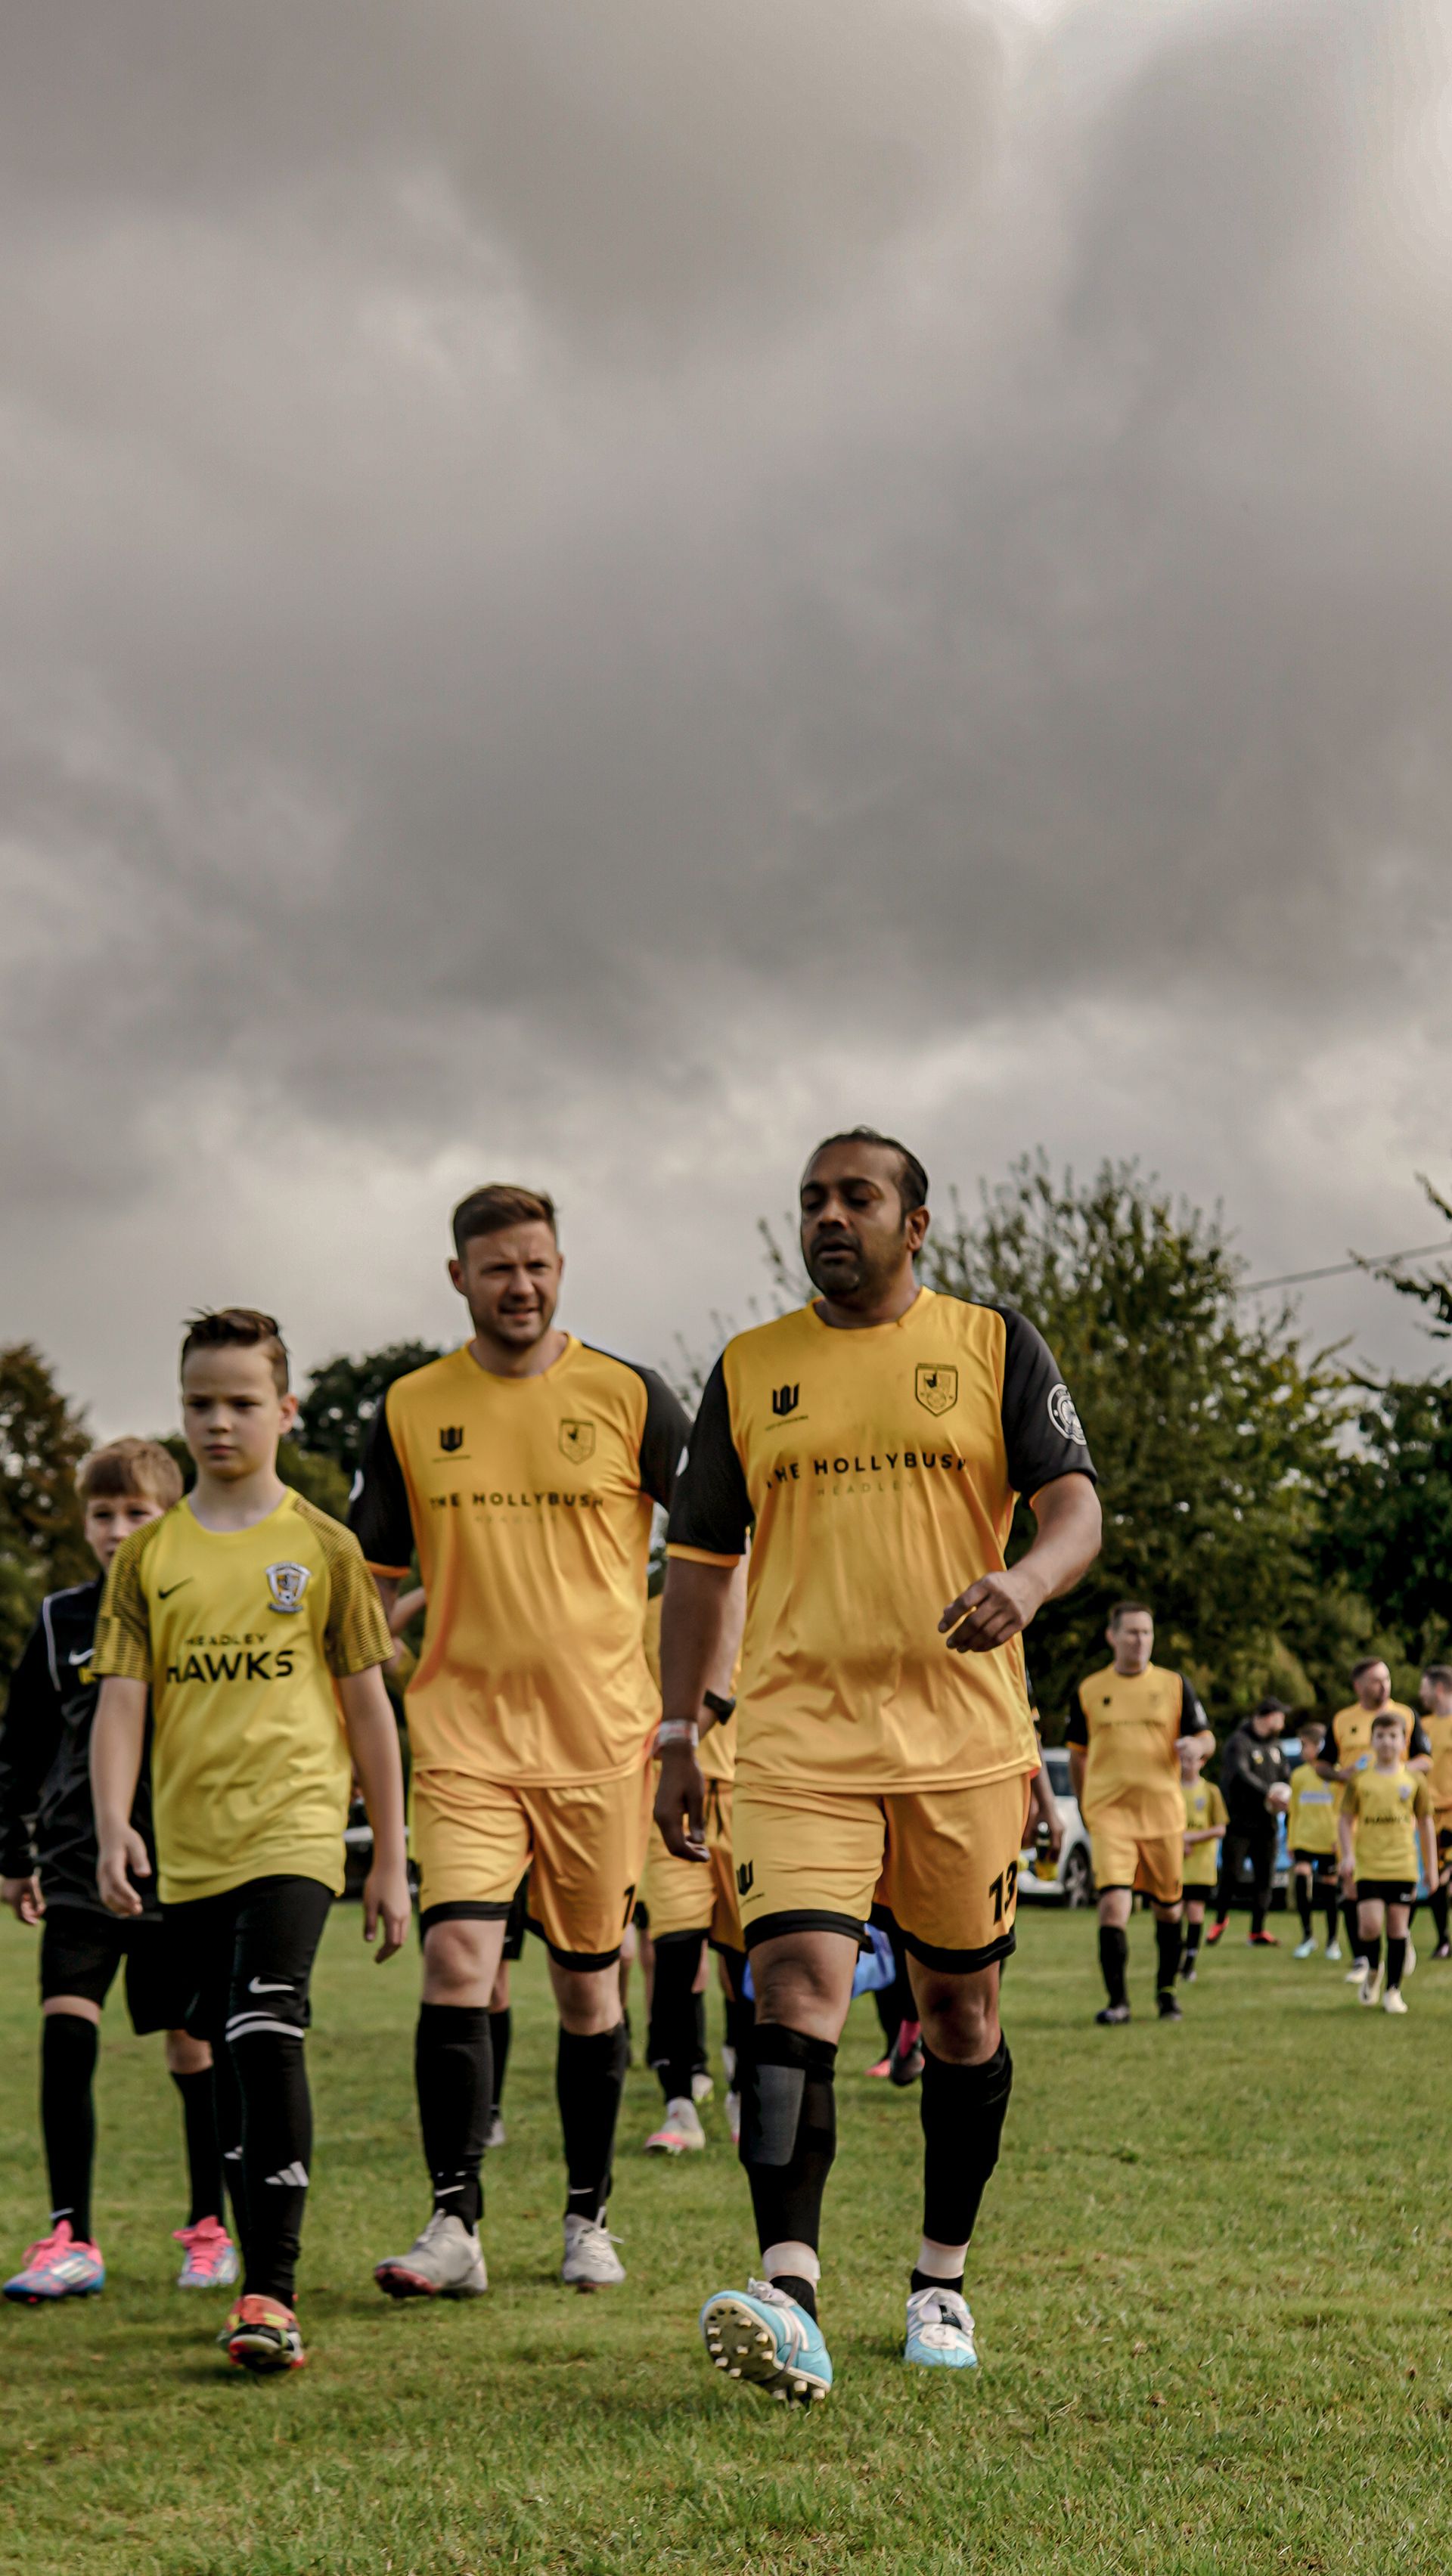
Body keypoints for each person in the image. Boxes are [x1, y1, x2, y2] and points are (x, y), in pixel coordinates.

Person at [656, 1127, 1100, 2397]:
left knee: (962, 2015)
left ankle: (940, 2279)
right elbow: (699, 1566)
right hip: (797, 1742)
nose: (829, 1216)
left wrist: (1024, 1577)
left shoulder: (993, 1345)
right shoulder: (751, 1369)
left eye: (858, 1196)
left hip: (962, 1742)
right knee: (795, 1986)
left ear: (917, 1223)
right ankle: (788, 2286)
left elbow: (1074, 1501)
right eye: (812, 1199)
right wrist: (683, 1730)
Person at [351, 1185, 692, 2299]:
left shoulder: (632, 1393)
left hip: (600, 1742)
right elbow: (371, 1577)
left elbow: (714, 1545)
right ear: (459, 1276)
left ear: (561, 1263)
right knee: (458, 1962)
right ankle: (454, 2222)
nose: (522, 1284)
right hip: (461, 1740)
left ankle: (588, 2218)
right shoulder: (408, 1405)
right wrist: (367, 1642)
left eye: (539, 1263)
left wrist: (709, 1695)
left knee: (591, 1993)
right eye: (499, 1267)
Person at [90, 1308, 410, 2373]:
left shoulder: (323, 1547)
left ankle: (271, 2288)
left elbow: (370, 1710)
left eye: (239, 1400)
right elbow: (122, 1706)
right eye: (199, 1401)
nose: (218, 1421)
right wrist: (111, 1830)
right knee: (225, 2045)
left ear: (286, 1409)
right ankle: (254, 2278)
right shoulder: (147, 1555)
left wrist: (391, 1855)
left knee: (269, 2023)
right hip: (189, 1842)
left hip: (297, 1831)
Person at [1, 1438, 239, 2304]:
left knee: (192, 2045)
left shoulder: (204, 1608)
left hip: (183, 1867)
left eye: (137, 1511)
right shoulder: (62, 1619)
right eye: (103, 1513)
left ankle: (210, 2229)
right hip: (73, 1868)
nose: (117, 1528)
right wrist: (10, 1853)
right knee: (67, 2031)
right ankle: (72, 2235)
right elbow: (19, 1746)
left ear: (172, 1515)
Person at [637, 1588, 746, 2156]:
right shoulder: (655, 1612)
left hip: (756, 1792)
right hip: (674, 1796)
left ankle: (744, 2091)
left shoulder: (774, 1596)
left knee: (745, 1959)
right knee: (674, 1951)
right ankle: (679, 2103)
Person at [1066, 1604, 1213, 2026]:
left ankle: (1166, 1993)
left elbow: (1206, 1737)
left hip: (1163, 1815)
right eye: (1131, 1632)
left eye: (1146, 1632)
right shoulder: (1091, 1689)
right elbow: (1078, 1755)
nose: (1140, 1640)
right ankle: (1118, 2002)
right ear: (1112, 1636)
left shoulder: (1174, 1685)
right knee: (1113, 1905)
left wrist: (1198, 1748)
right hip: (1110, 1814)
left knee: (1170, 1909)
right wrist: (1085, 1804)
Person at [1317, 1659, 1429, 1978]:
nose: (1384, 1686)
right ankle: (1363, 1959)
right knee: (1352, 1888)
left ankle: (1399, 1938)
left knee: (1397, 1891)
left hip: (1396, 1823)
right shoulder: (1342, 1720)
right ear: (1358, 1686)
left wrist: (1395, 1772)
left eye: (1387, 1679)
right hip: (1355, 1822)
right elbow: (1323, 1765)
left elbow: (1425, 1760)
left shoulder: (1405, 1715)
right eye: (1376, 1681)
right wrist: (1343, 1774)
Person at [1336, 1712, 1437, 2013]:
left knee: (1397, 1929)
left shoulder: (1414, 1779)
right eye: (1380, 1736)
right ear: (1372, 1740)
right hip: (1369, 1863)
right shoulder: (1361, 1780)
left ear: (1404, 1741)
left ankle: (1392, 1991)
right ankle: (1372, 1970)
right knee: (1368, 1927)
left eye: (1393, 1736)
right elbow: (1344, 1820)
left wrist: (1430, 1868)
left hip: (1403, 1864)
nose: (1386, 1742)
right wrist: (1348, 1855)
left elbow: (1426, 1823)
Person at [1205, 1699, 1292, 1948]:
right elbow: (1240, 1774)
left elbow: (1284, 1776)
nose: (1283, 1721)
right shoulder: (1239, 1742)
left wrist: (1284, 1797)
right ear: (1266, 1717)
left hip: (1267, 1824)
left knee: (1265, 1877)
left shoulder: (1276, 1745)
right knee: (1231, 1875)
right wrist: (1267, 1793)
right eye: (1280, 1715)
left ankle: (1258, 1931)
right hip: (1240, 1823)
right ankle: (1220, 1920)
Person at [1284, 1718, 1341, 1958]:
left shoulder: (1336, 1773)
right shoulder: (1298, 1775)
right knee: (1301, 1878)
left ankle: (1332, 1941)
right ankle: (1307, 1936)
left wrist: (1341, 1840)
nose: (1301, 1750)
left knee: (1330, 1890)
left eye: (1304, 1745)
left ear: (1318, 1746)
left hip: (1329, 1840)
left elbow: (1342, 1811)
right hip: (1304, 1840)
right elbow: (1293, 1811)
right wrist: (1291, 1840)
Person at [1176, 1737, 1226, 1982]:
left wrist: (1191, 1839)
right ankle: (1174, 1957)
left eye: (1191, 1760)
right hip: (1174, 1863)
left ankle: (1189, 1963)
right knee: (1173, 1913)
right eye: (1182, 1760)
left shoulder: (1210, 1791)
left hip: (1200, 1865)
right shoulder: (1171, 1790)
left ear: (1202, 1762)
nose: (1187, 1765)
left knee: (1195, 1912)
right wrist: (1177, 1840)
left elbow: (1220, 1828)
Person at [1416, 1665, 1452, 1958]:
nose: (1420, 1693)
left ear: (1439, 1688)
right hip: (1429, 1816)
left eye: (1424, 1687)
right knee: (1435, 1879)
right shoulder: (1423, 1727)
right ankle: (1443, 1940)